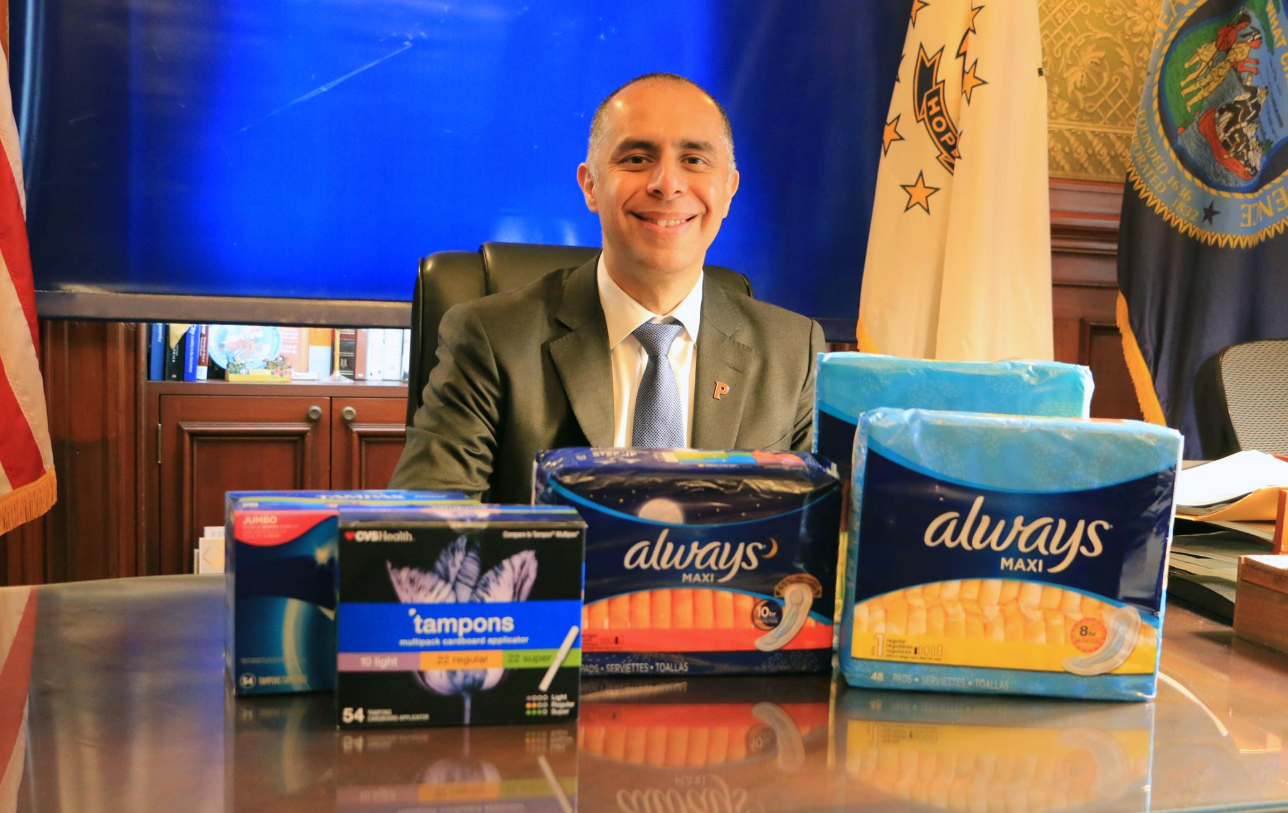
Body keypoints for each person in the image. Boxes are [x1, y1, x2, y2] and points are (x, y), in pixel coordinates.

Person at [389, 73, 825, 502]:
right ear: (591, 186)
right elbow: (427, 536)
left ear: (728, 191)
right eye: (637, 159)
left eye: (694, 160)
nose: (667, 184)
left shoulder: (794, 352)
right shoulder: (489, 339)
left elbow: (813, 538)